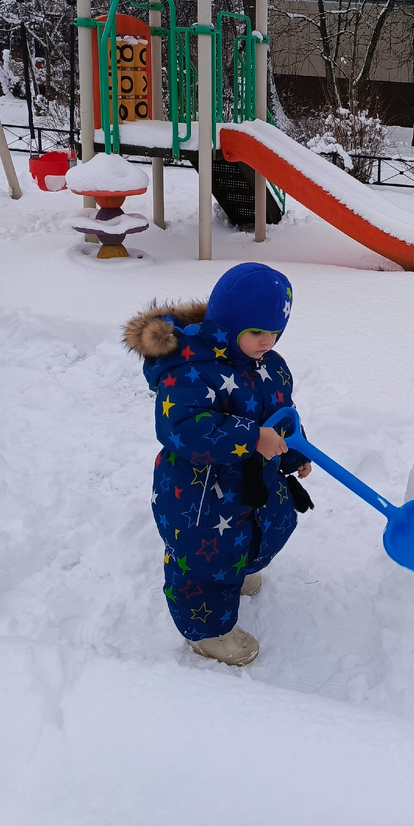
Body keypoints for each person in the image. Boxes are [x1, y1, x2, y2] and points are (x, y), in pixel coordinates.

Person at [124, 263, 313, 666]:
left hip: (255, 480)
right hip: (201, 493)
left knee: (272, 525)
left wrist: (295, 451)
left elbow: (283, 415)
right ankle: (208, 632)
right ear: (229, 324)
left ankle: (242, 569)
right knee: (205, 559)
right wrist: (250, 437)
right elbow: (184, 426)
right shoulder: (189, 368)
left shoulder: (272, 365)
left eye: (275, 332)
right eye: (256, 332)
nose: (268, 342)